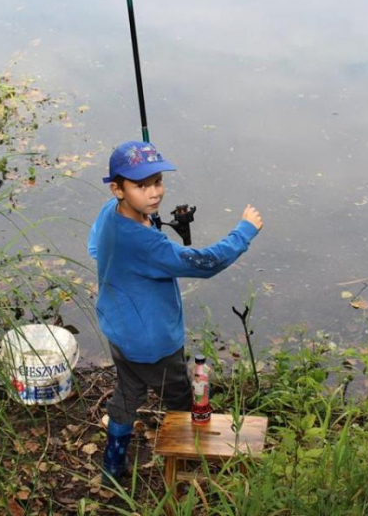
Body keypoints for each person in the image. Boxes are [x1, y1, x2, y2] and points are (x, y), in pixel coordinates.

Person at [88, 140, 263, 484]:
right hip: (155, 344)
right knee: (183, 399)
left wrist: (144, 224)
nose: (153, 193)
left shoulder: (111, 212)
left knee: (128, 393)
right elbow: (205, 262)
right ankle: (187, 462)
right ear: (117, 188)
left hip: (119, 330)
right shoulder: (147, 244)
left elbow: (96, 247)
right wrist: (244, 231)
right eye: (141, 186)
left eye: (157, 182)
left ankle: (112, 467)